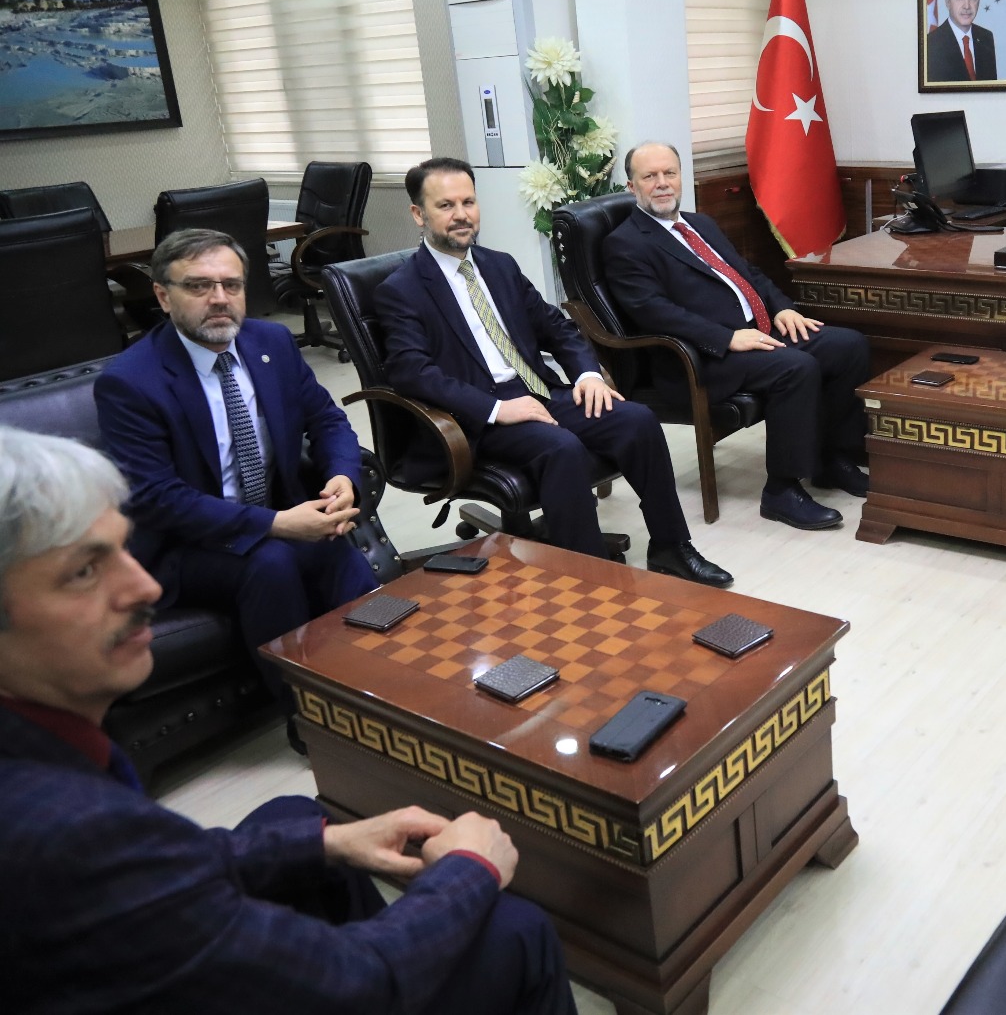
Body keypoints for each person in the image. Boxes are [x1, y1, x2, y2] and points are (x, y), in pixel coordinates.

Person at [0, 426, 578, 1014]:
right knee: (517, 930)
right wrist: (468, 870)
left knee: (297, 818)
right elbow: (356, 986)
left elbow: (152, 870)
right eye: (83, 572)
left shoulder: (43, 754)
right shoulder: (69, 833)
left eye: (123, 551)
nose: (145, 588)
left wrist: (326, 842)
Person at [372, 157, 731, 586]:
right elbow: (412, 372)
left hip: (537, 391)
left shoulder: (499, 266)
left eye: (468, 202)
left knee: (636, 420)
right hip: (476, 417)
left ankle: (672, 548)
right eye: (446, 205)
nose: (462, 215)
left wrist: (587, 376)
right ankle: (589, 581)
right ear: (419, 214)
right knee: (561, 447)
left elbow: (557, 327)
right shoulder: (402, 290)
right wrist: (496, 410)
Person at [95, 228, 379, 749]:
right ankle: (310, 719)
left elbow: (327, 419)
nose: (220, 298)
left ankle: (384, 683)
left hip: (272, 513)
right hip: (187, 544)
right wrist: (276, 524)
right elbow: (157, 498)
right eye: (198, 286)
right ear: (163, 296)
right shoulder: (131, 382)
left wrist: (342, 477)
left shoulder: (271, 344)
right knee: (272, 560)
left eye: (232, 284)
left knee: (331, 543)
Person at [603, 141, 871, 531]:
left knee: (849, 346)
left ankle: (832, 460)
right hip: (700, 357)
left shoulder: (701, 224)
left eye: (669, 173)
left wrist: (782, 308)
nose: (662, 183)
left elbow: (749, 273)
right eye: (650, 176)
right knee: (795, 367)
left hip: (757, 331)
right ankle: (781, 491)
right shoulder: (625, 244)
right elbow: (653, 311)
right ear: (632, 186)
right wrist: (726, 337)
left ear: (680, 177)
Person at [926, 0, 997, 82]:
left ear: (979, 0)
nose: (967, 6)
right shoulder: (931, 43)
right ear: (948, 2)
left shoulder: (986, 38)